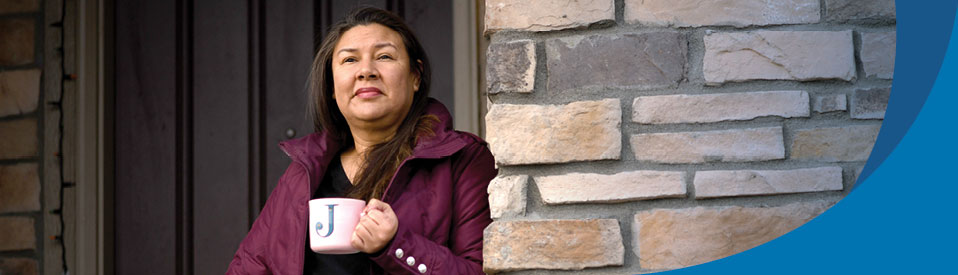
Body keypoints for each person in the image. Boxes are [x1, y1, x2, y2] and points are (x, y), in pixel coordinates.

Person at [226, 7, 497, 275]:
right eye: (349, 60)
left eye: (384, 56)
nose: (366, 71)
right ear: (332, 86)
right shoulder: (305, 171)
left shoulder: (462, 160)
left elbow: (483, 271)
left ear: (415, 76)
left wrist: (397, 245)